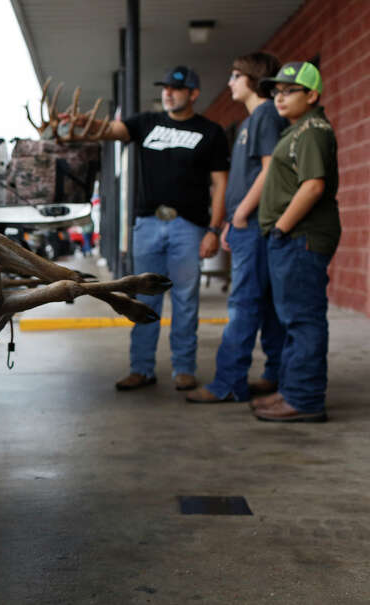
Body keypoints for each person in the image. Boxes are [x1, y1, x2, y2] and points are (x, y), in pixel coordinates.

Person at [61, 66, 230, 391]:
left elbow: (220, 183)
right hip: (148, 224)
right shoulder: (145, 122)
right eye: (165, 87)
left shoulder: (210, 132)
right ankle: (141, 368)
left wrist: (213, 229)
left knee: (185, 298)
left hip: (189, 226)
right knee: (144, 298)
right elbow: (111, 129)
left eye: (176, 89)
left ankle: (184, 368)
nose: (168, 93)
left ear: (193, 94)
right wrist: (87, 123)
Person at [186, 52, 287, 404]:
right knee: (266, 303)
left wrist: (241, 214)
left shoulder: (266, 115)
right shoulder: (253, 120)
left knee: (244, 304)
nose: (229, 82)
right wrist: (232, 221)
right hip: (246, 225)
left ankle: (229, 382)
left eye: (235, 76)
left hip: (256, 225)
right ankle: (277, 375)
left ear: (252, 78)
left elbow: (271, 169)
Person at [250, 61, 339, 422]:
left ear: (312, 95)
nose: (280, 97)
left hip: (299, 238)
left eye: (290, 90)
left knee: (303, 320)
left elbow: (313, 185)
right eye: (276, 91)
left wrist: (282, 227)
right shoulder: (297, 129)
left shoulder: (312, 130)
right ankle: (291, 391)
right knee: (292, 319)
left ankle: (304, 400)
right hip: (290, 239)